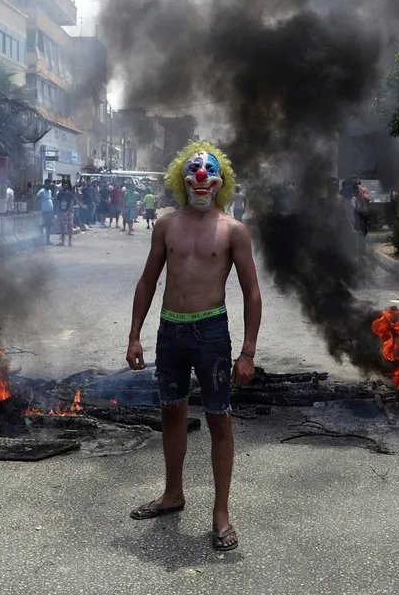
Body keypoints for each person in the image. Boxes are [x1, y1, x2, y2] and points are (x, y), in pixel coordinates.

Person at [126, 141, 262, 553]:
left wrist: (248, 351)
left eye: (209, 172)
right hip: (171, 332)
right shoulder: (166, 225)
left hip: (211, 333)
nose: (201, 178)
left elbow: (252, 292)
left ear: (221, 181)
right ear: (180, 178)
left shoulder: (233, 230)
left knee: (219, 418)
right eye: (193, 171)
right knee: (172, 412)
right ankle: (173, 493)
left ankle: (221, 514)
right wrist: (134, 334)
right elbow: (148, 280)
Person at [55, 179, 76, 247]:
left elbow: (71, 204)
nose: (65, 187)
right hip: (61, 212)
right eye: (64, 185)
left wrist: (67, 212)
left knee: (69, 227)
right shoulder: (59, 194)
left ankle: (70, 242)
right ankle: (62, 242)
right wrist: (58, 212)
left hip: (68, 213)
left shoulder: (70, 194)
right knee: (62, 227)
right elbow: (58, 203)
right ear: (62, 186)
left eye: (66, 185)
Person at [36, 179, 55, 245]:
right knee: (47, 224)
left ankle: (47, 241)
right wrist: (39, 207)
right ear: (45, 184)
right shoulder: (41, 191)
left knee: (49, 225)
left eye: (49, 184)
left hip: (50, 210)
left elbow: (50, 199)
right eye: (47, 184)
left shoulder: (50, 191)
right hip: (45, 211)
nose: (49, 185)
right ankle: (40, 228)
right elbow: (36, 199)